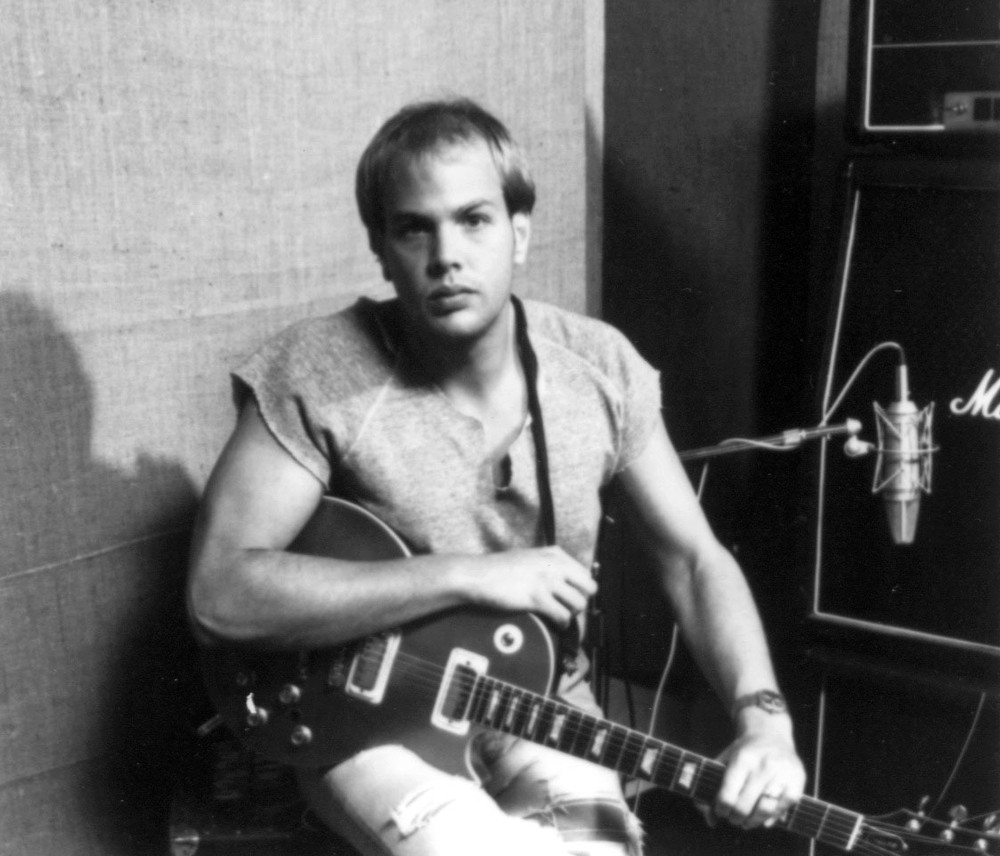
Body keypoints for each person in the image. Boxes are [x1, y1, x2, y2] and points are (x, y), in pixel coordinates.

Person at [186, 97, 806, 856]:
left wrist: (764, 721)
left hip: (538, 710)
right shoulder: (317, 370)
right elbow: (219, 594)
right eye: (414, 228)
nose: (446, 255)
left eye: (474, 220)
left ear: (520, 232)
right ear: (381, 248)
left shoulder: (599, 366)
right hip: (371, 729)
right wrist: (470, 577)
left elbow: (694, 559)